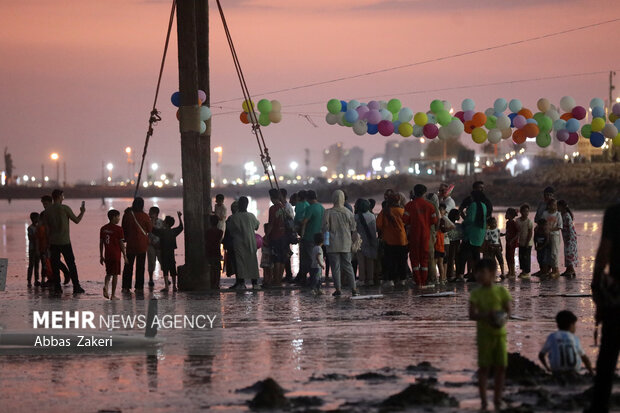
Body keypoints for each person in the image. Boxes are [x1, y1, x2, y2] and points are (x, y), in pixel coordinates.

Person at [587, 202, 620, 413]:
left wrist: (597, 290)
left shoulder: (615, 213)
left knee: (608, 354)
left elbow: (603, 254)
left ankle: (600, 406)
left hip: (617, 294)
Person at [469, 258, 512, 412]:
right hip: (484, 336)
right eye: (477, 272)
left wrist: (499, 318)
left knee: (501, 367)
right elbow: (471, 315)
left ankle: (498, 399)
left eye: (483, 272)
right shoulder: (475, 293)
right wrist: (487, 315)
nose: (479, 276)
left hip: (500, 334)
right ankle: (484, 401)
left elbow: (508, 311)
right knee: (484, 368)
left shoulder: (502, 291)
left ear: (493, 274)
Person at [46, 189, 86, 294]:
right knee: (71, 264)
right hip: (64, 241)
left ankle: (57, 287)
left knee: (55, 265)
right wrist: (82, 212)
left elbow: (46, 228)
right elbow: (77, 220)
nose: (64, 197)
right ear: (59, 197)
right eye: (63, 196)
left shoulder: (48, 210)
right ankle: (76, 286)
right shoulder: (65, 208)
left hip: (53, 242)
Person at [322, 190, 358, 297]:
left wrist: (326, 243)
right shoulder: (348, 212)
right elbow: (353, 229)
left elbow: (325, 229)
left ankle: (338, 289)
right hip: (346, 244)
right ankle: (354, 289)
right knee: (348, 266)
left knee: (335, 267)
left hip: (333, 244)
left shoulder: (328, 212)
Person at [539, 310, 593, 376]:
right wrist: (591, 372)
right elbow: (585, 358)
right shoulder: (574, 338)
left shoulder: (552, 337)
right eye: (574, 325)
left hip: (557, 371)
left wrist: (547, 368)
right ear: (571, 325)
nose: (575, 328)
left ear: (557, 324)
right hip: (574, 372)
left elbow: (541, 355)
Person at [403, 184, 438, 287]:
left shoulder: (409, 205)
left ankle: (417, 281)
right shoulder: (430, 205)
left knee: (414, 259)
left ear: (414, 192)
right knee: (424, 259)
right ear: (424, 193)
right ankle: (424, 281)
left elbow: (404, 220)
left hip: (414, 235)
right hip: (426, 236)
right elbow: (434, 220)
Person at [226, 196, 260, 289]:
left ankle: (241, 283)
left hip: (239, 243)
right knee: (252, 262)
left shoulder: (234, 217)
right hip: (250, 242)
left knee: (240, 263)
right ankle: (255, 283)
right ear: (247, 205)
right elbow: (256, 226)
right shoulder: (251, 216)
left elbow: (231, 230)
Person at [377, 194, 408, 288]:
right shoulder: (402, 211)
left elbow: (378, 225)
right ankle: (402, 279)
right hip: (402, 240)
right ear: (398, 201)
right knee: (402, 261)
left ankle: (391, 280)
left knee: (390, 261)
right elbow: (407, 223)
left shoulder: (385, 212)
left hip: (389, 240)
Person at [37, 195, 70, 287]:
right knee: (49, 261)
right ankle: (53, 278)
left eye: (46, 203)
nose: (44, 205)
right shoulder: (43, 214)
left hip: (54, 240)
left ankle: (63, 275)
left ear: (50, 203)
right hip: (46, 241)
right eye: (43, 204)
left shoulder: (54, 213)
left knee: (54, 261)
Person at [121, 197, 152, 292]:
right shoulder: (145, 216)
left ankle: (125, 287)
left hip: (131, 244)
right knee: (140, 266)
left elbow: (123, 228)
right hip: (142, 244)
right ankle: (139, 287)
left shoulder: (127, 215)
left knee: (128, 266)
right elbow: (150, 229)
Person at [457, 190, 487, 282]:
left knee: (462, 255)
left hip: (471, 234)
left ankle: (460, 276)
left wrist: (463, 223)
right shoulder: (483, 205)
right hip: (480, 233)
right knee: (476, 255)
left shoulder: (473, 205)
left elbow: (470, 219)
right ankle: (476, 275)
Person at [152, 212, 183, 291]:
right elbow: (181, 227)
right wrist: (179, 217)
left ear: (166, 223)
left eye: (164, 221)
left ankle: (166, 287)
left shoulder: (162, 232)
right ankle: (174, 286)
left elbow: (152, 229)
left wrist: (153, 220)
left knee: (165, 269)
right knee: (173, 268)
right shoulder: (173, 231)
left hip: (164, 252)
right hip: (171, 252)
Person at [100, 209, 127, 300]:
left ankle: (106, 286)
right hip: (116, 255)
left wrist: (101, 256)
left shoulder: (103, 228)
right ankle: (113, 295)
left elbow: (101, 243)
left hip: (107, 254)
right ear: (114, 217)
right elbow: (121, 244)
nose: (119, 218)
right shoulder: (119, 229)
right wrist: (125, 256)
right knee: (115, 274)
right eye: (118, 216)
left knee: (108, 273)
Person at [300, 190, 325, 285]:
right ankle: (317, 278)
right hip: (319, 237)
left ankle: (312, 279)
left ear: (308, 198)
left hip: (309, 237)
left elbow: (304, 222)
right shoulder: (322, 208)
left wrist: (298, 224)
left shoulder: (310, 208)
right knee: (317, 258)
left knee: (309, 260)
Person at [355, 199, 378, 287]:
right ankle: (370, 279)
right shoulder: (372, 216)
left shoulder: (356, 217)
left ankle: (362, 279)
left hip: (360, 241)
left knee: (361, 262)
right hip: (371, 241)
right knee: (370, 261)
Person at [542, 199, 563, 278]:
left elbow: (559, 226)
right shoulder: (545, 214)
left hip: (555, 236)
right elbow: (542, 223)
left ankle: (556, 270)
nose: (554, 207)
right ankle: (547, 270)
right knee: (547, 253)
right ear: (549, 206)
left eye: (555, 205)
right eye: (552, 205)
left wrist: (550, 230)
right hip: (546, 235)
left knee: (554, 253)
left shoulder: (558, 214)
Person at [557, 200, 578, 277]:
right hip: (567, 237)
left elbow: (569, 227)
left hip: (570, 237)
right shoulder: (562, 214)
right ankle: (568, 269)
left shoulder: (566, 215)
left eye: (558, 206)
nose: (557, 208)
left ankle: (571, 269)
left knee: (569, 252)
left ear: (562, 207)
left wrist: (569, 238)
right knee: (567, 252)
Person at [435, 203, 454, 284]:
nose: (440, 211)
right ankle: (441, 278)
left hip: (444, 243)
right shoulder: (439, 218)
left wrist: (445, 231)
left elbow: (452, 226)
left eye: (441, 210)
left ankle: (443, 278)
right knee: (440, 262)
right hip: (440, 243)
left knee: (443, 261)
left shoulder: (444, 218)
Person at [147, 206, 164, 288]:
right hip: (150, 245)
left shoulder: (161, 222)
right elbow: (147, 232)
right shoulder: (147, 222)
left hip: (159, 245)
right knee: (151, 262)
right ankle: (150, 279)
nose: (149, 214)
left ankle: (165, 277)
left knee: (162, 262)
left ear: (155, 214)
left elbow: (164, 234)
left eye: (151, 213)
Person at [280, 188, 295, 282]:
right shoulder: (282, 206)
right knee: (285, 253)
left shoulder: (287, 206)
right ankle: (287, 273)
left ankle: (289, 274)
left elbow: (291, 218)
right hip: (283, 233)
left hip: (286, 233)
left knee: (285, 253)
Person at [205, 215, 223, 289]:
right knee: (217, 269)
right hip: (217, 251)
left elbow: (206, 241)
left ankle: (212, 284)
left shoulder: (208, 232)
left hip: (210, 251)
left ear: (210, 222)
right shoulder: (220, 232)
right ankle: (217, 284)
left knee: (212, 268)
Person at [516, 204, 534, 280]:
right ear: (521, 212)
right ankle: (523, 271)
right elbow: (517, 231)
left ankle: (526, 272)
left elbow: (530, 233)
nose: (526, 213)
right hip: (521, 242)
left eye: (527, 211)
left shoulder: (529, 222)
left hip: (528, 243)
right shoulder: (518, 221)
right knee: (521, 257)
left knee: (526, 257)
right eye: (524, 211)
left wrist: (527, 242)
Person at [446, 209, 463, 282]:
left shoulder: (448, 224)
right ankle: (456, 274)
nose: (459, 216)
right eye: (458, 215)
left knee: (451, 258)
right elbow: (461, 235)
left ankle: (450, 274)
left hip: (451, 242)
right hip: (455, 242)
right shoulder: (458, 226)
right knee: (456, 259)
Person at [504, 208, 519, 279]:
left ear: (510, 215)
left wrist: (512, 240)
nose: (505, 215)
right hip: (508, 242)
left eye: (506, 214)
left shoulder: (513, 223)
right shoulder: (507, 223)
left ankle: (512, 272)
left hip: (512, 243)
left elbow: (518, 232)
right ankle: (510, 271)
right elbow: (508, 232)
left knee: (511, 256)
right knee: (507, 256)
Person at [27, 212, 40, 287]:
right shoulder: (30, 228)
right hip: (32, 249)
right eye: (37, 218)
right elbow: (30, 238)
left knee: (37, 265)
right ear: (34, 219)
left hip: (37, 248)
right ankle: (29, 281)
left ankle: (36, 280)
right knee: (31, 265)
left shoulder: (38, 227)